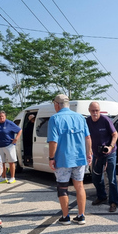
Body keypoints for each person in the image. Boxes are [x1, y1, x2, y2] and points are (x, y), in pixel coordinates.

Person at [48, 94, 91, 225]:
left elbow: (53, 142)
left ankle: (66, 217)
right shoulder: (80, 117)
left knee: (62, 187)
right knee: (80, 186)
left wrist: (51, 158)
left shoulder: (54, 118)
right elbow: (88, 138)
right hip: (79, 157)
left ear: (56, 104)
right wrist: (89, 153)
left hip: (63, 158)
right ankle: (81, 215)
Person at [86, 101, 118, 212]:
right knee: (96, 178)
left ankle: (113, 202)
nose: (95, 113)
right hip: (96, 154)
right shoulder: (87, 121)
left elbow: (115, 134)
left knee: (112, 179)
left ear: (99, 111)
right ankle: (101, 197)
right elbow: (86, 137)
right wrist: (88, 150)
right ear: (89, 111)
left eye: (97, 110)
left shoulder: (105, 120)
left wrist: (110, 146)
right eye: (93, 111)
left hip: (110, 153)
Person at [0, 110, 22, 184]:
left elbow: (19, 130)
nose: (1, 117)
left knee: (11, 161)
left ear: (5, 116)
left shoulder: (9, 123)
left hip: (9, 145)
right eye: (0, 116)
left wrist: (16, 138)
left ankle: (12, 177)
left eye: (2, 116)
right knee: (1, 162)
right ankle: (3, 177)